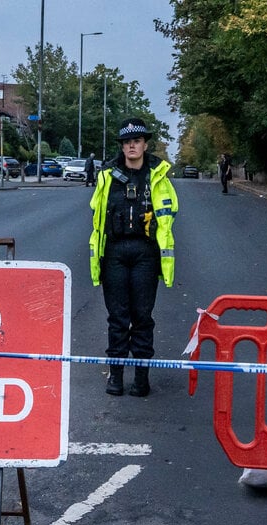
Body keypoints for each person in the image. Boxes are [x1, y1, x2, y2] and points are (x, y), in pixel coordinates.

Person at [89, 118, 179, 397]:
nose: (132, 145)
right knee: (117, 317)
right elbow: (97, 214)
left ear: (145, 145)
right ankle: (115, 375)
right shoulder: (107, 176)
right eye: (127, 141)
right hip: (114, 252)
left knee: (142, 316)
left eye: (137, 141)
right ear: (123, 146)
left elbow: (171, 212)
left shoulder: (158, 177)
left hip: (145, 254)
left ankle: (141, 378)